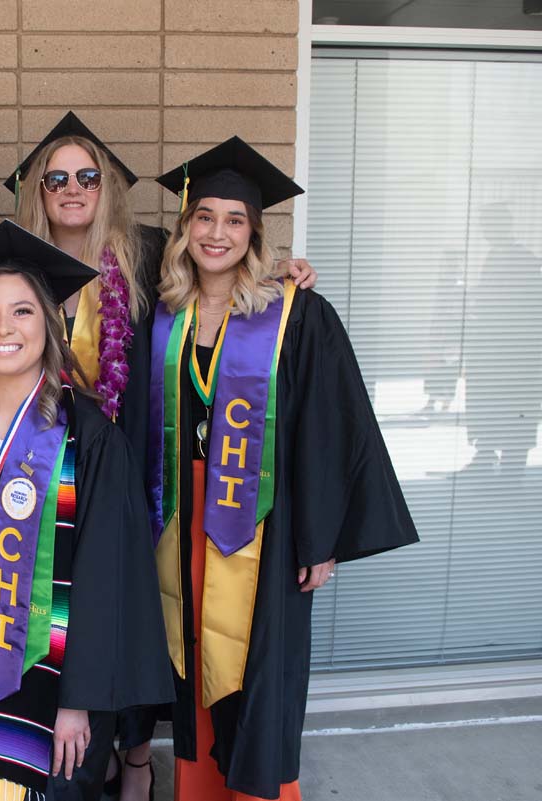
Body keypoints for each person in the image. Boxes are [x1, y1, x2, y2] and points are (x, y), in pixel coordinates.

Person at [9, 112, 319, 801]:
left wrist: (280, 269)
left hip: (138, 479)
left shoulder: (142, 255)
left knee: (135, 615)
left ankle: (135, 757)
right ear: (38, 189)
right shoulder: (14, 266)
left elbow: (215, 272)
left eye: (87, 175)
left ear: (106, 186)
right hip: (38, 477)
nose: (72, 187)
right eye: (55, 177)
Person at [148, 137, 419, 800]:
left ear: (255, 233)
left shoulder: (296, 314)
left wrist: (319, 537)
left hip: (264, 522)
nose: (218, 233)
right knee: (192, 662)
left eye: (234, 220)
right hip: (180, 519)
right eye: (204, 216)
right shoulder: (163, 315)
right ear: (185, 227)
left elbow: (330, 427)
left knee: (260, 669)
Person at [0, 221, 173, 801]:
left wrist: (78, 700)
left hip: (49, 682)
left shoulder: (90, 438)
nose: (3, 329)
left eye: (22, 312)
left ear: (50, 327)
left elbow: (107, 583)